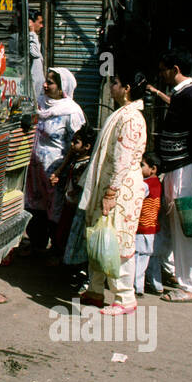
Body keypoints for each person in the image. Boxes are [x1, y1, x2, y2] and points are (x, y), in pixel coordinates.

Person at [76, 68, 149, 315]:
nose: (111, 87)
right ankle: (96, 290)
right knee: (99, 235)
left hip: (121, 190)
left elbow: (122, 159)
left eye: (115, 83)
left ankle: (125, 297)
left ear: (127, 88)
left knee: (118, 241)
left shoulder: (131, 118)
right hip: (110, 186)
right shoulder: (123, 113)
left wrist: (111, 193)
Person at [154, 49, 192, 303]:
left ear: (175, 69)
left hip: (186, 171)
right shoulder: (181, 95)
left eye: (163, 70)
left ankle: (191, 286)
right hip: (174, 169)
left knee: (184, 228)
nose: (161, 74)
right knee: (174, 227)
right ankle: (179, 276)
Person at [24, 67, 86, 251]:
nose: (44, 85)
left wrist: (61, 171)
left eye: (50, 82)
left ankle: (57, 249)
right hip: (35, 171)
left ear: (62, 88)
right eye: (46, 80)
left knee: (55, 211)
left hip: (56, 173)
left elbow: (77, 146)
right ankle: (37, 245)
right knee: (35, 208)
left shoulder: (71, 112)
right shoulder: (39, 104)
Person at [51, 124, 96, 268]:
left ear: (87, 146)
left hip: (75, 206)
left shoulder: (85, 165)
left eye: (76, 142)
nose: (71, 145)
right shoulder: (75, 160)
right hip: (68, 203)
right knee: (63, 233)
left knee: (70, 234)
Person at [135, 152, 163, 296]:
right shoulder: (157, 183)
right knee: (152, 259)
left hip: (143, 228)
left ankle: (137, 287)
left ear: (153, 169)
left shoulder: (145, 184)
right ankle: (157, 285)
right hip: (153, 228)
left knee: (139, 259)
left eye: (141, 165)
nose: (138, 168)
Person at [28, 8, 45, 106]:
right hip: (32, 94)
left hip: (38, 93)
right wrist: (32, 32)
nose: (42, 26)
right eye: (40, 22)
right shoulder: (30, 37)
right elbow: (34, 53)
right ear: (31, 22)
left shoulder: (34, 38)